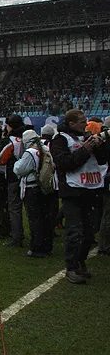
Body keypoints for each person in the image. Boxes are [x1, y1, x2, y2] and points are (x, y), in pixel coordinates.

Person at [50, 109, 109, 284]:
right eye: (82, 121)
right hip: (73, 191)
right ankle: (72, 267)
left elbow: (102, 160)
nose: (85, 124)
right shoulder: (60, 140)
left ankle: (80, 261)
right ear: (71, 123)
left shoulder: (86, 138)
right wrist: (86, 149)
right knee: (75, 231)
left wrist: (100, 146)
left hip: (91, 190)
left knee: (90, 233)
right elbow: (65, 163)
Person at [13, 129, 54, 258]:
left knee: (35, 219)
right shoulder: (46, 149)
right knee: (45, 217)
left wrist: (17, 162)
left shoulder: (30, 152)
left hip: (32, 187)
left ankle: (37, 247)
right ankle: (47, 245)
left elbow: (19, 169)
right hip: (44, 187)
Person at [0, 114, 27, 247]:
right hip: (29, 176)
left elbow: (0, 159)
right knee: (32, 209)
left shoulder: (11, 140)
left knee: (14, 208)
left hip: (14, 177)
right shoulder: (28, 137)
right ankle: (38, 237)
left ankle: (17, 237)